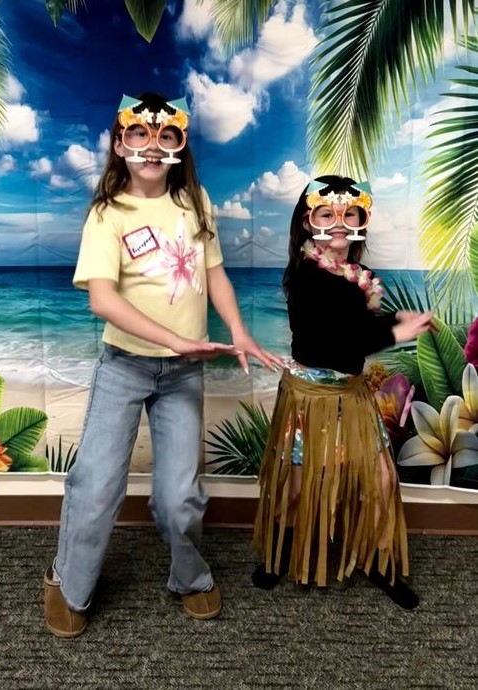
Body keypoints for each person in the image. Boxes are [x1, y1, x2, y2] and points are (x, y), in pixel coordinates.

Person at [44, 91, 282, 637]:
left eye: (166, 135)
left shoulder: (195, 200)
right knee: (96, 486)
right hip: (124, 366)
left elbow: (215, 273)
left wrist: (239, 330)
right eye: (140, 134)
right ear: (120, 144)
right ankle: (68, 581)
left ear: (180, 145)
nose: (153, 146)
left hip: (182, 375)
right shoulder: (107, 213)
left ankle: (190, 577)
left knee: (180, 498)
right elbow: (103, 300)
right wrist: (176, 339)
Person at [252, 175, 434, 609]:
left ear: (361, 221)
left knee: (381, 480)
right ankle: (279, 556)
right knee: (297, 487)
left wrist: (391, 322)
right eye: (326, 213)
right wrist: (395, 333)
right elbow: (335, 341)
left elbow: (358, 327)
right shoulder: (307, 277)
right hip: (309, 398)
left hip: (352, 396)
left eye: (349, 213)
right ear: (307, 222)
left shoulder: (361, 277)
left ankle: (376, 560)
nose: (338, 222)